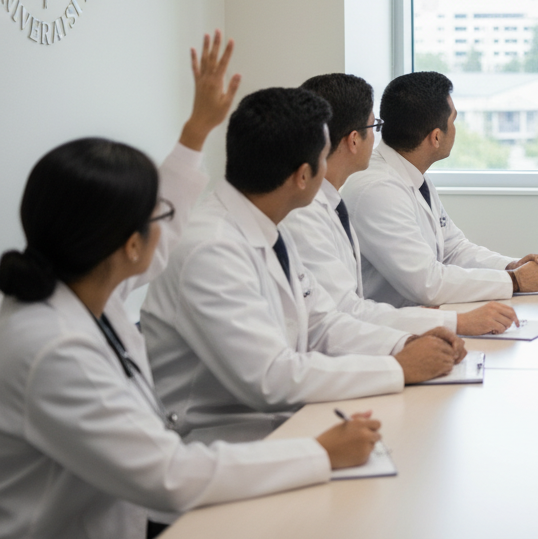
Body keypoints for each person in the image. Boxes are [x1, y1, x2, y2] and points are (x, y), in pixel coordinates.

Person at [0, 52, 382, 539]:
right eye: (155, 219)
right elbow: (169, 476)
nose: (171, 227)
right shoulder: (53, 348)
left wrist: (196, 130)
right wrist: (320, 453)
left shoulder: (84, 289)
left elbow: (171, 209)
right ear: (131, 244)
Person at [143, 87, 466, 446]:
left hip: (275, 420)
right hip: (219, 440)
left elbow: (322, 323)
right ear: (302, 175)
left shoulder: (266, 225)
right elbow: (270, 378)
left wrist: (405, 343)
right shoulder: (212, 249)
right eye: (323, 158)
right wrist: (398, 366)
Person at [284, 73, 519, 335]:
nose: (376, 137)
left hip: (379, 331)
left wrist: (512, 268)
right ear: (353, 140)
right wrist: (508, 285)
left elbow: (453, 247)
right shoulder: (368, 190)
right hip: (359, 341)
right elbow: (349, 313)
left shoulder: (409, 179)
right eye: (373, 127)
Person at [344, 72, 538, 306]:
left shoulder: (411, 173)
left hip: (418, 318)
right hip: (389, 329)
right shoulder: (377, 190)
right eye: (453, 120)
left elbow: (453, 249)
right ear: (436, 137)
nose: (455, 129)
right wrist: (515, 281)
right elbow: (428, 284)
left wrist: (511, 266)